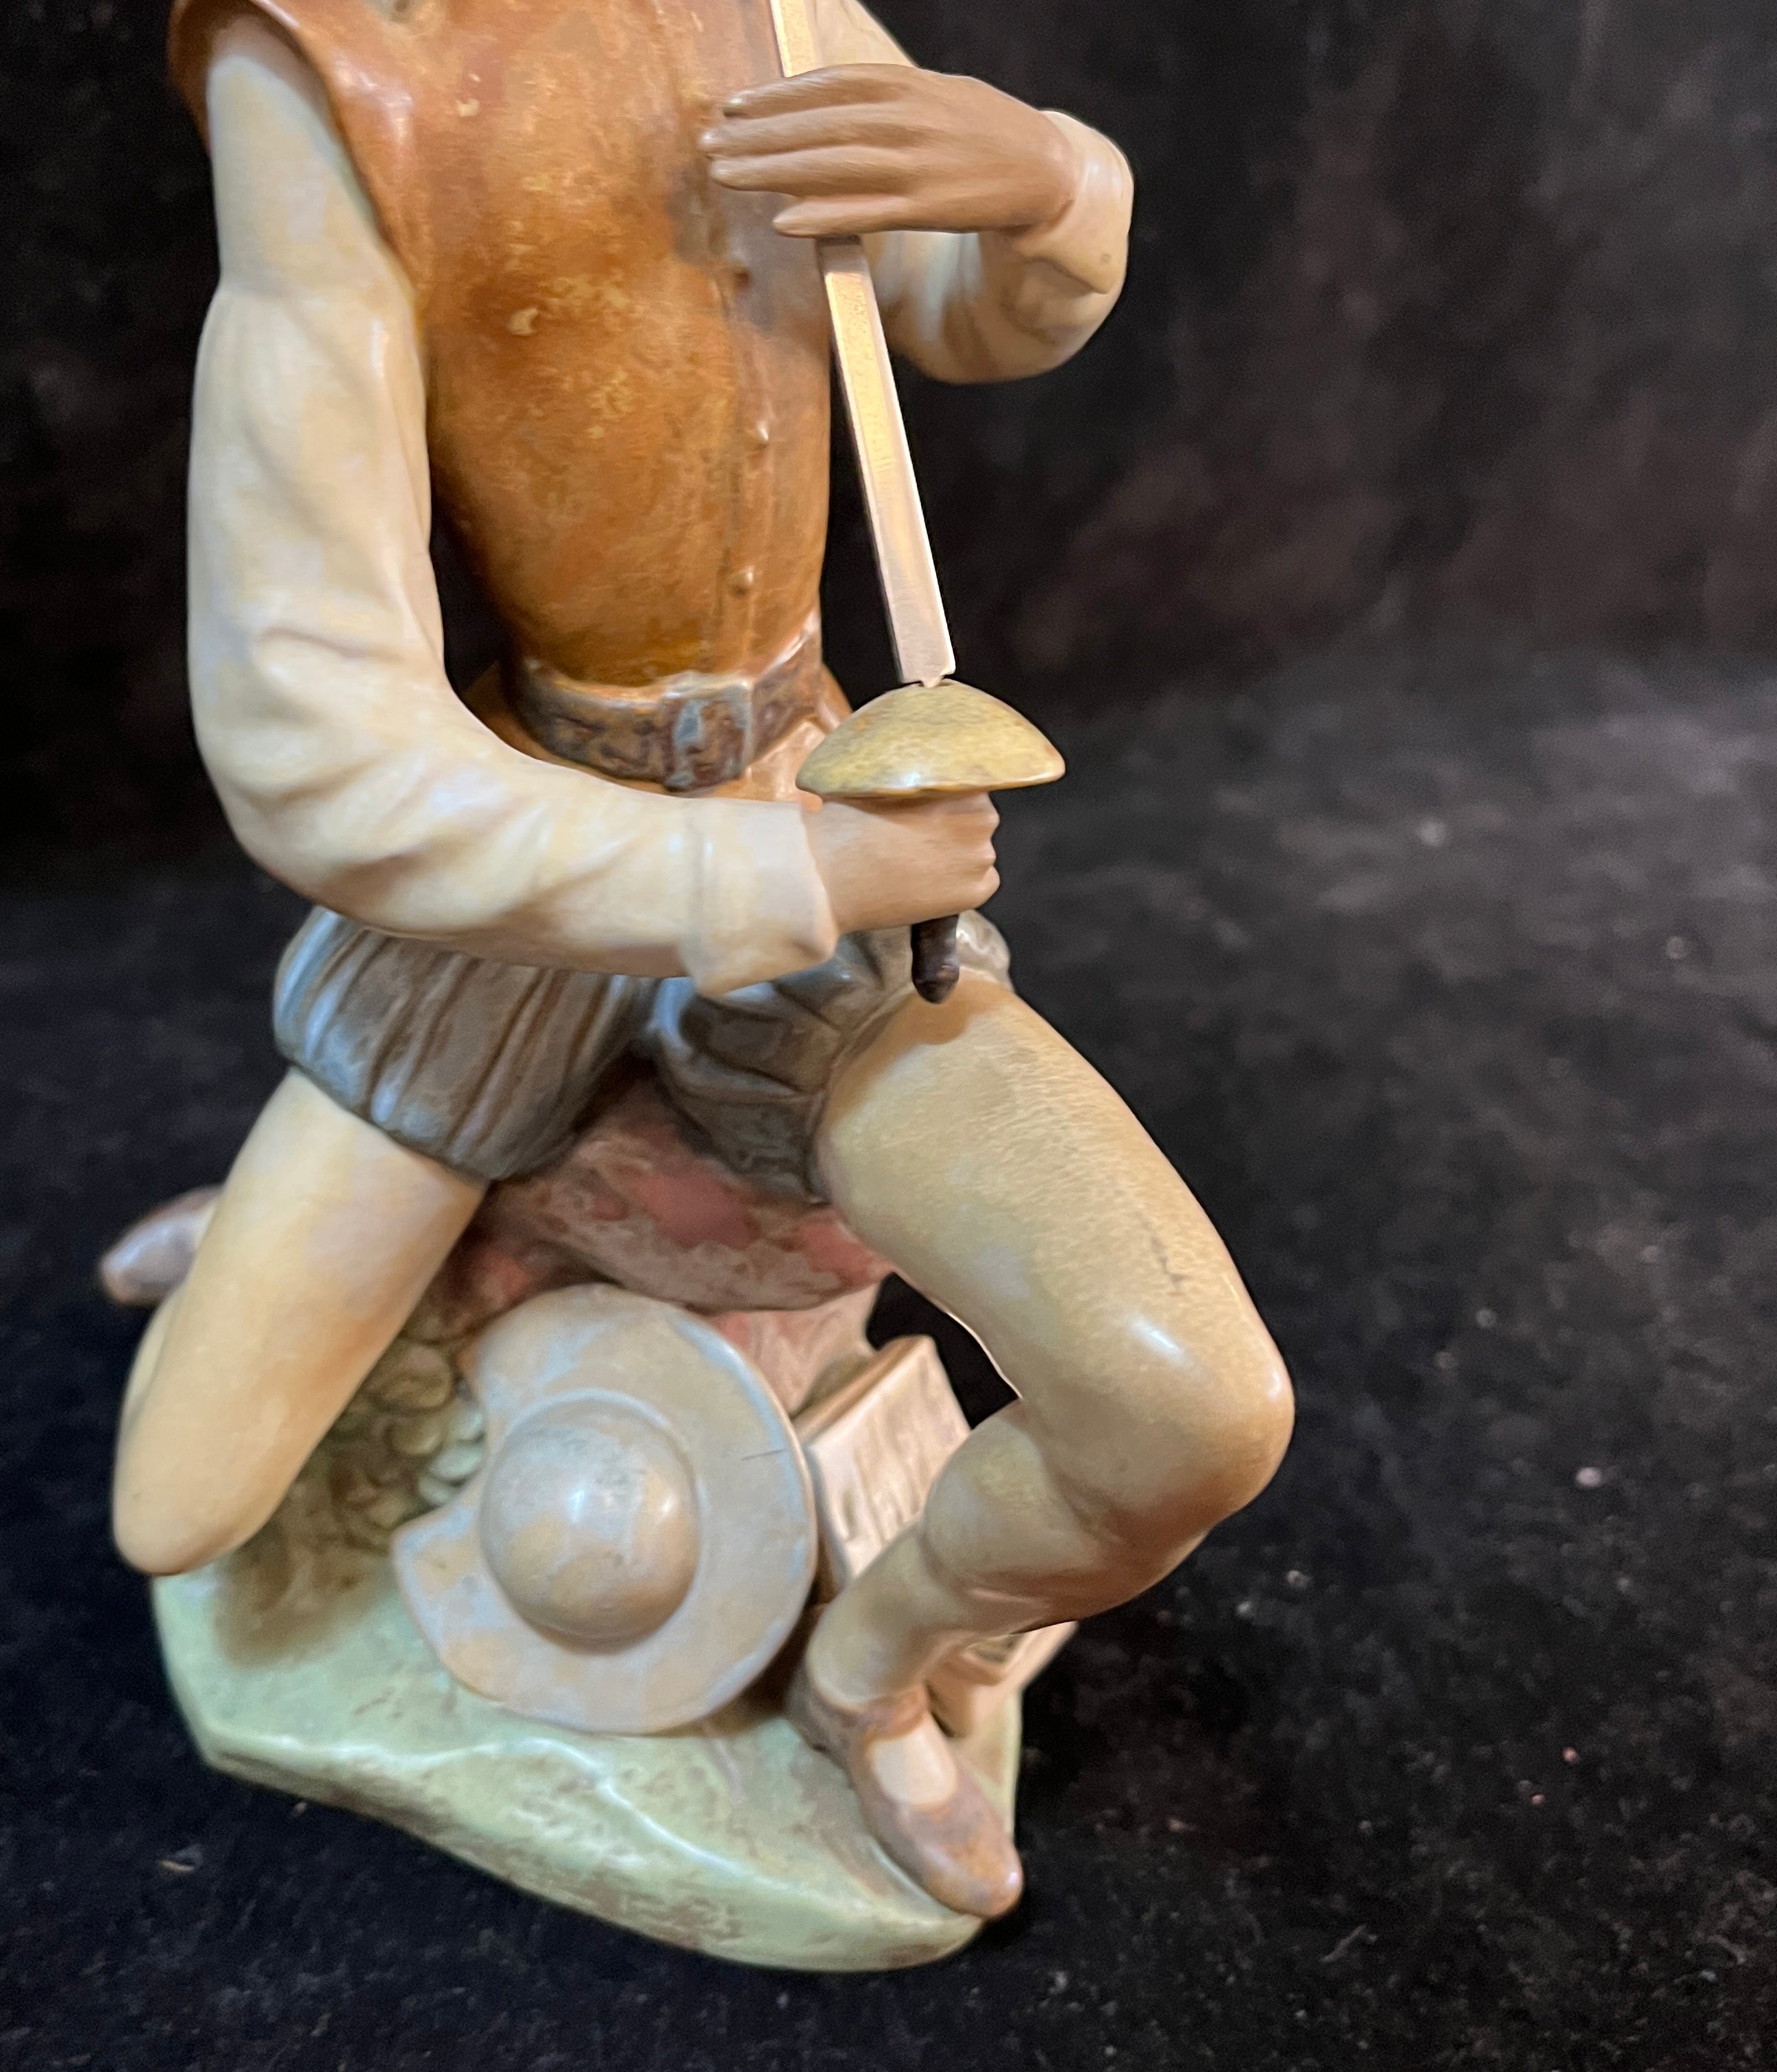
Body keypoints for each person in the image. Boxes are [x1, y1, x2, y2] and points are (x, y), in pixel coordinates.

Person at [115, 0, 1294, 1919]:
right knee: (184, 1500)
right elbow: (308, 741)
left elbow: (948, 306)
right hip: (535, 875)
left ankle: (866, 1673)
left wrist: (1050, 185)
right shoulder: (330, 62)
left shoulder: (763, 1)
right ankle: (338, 1256)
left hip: (808, 818)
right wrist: (778, 869)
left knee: (1189, 1413)